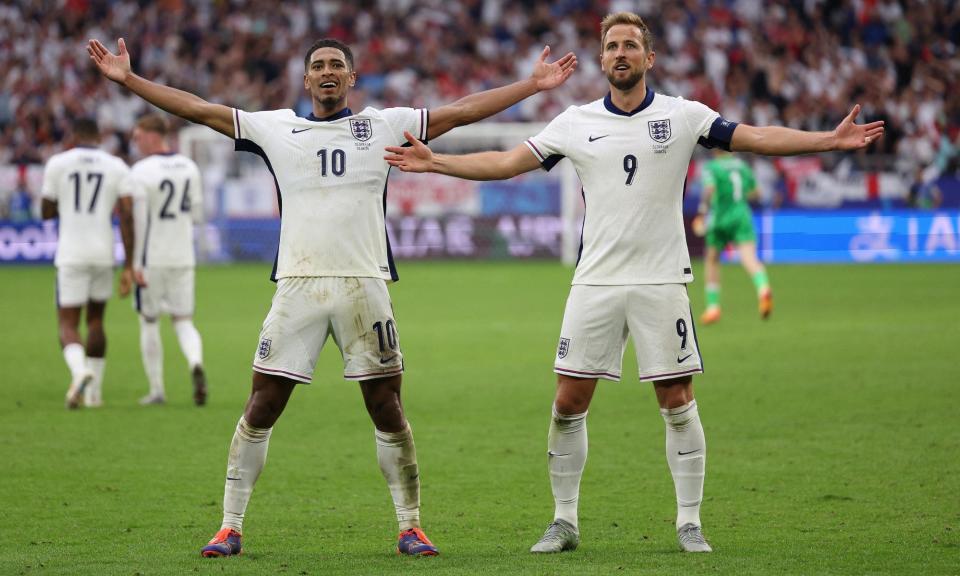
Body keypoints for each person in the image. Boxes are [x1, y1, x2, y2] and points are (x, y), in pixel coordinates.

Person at [385, 11, 883, 554]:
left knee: (677, 398)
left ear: (650, 58)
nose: (620, 54)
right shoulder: (574, 122)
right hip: (595, 283)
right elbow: (508, 161)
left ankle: (689, 521)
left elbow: (754, 137)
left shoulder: (685, 115)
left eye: (630, 46)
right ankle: (564, 521)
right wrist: (438, 162)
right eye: (611, 46)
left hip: (662, 281)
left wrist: (826, 142)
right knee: (569, 400)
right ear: (602, 59)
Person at [88, 35, 576, 558]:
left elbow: (458, 112)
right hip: (297, 287)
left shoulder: (386, 124)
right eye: (317, 65)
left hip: (365, 286)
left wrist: (532, 84)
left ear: (351, 78)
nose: (326, 72)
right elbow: (200, 110)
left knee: (387, 406)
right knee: (262, 405)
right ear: (305, 79)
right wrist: (130, 81)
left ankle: (410, 526)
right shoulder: (276, 127)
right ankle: (230, 526)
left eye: (336, 66)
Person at [41, 117, 138, 409]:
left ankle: (79, 371)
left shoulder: (58, 163)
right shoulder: (117, 166)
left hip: (71, 253)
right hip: (103, 253)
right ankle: (94, 395)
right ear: (99, 137)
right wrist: (129, 264)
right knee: (96, 320)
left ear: (73, 135)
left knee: (68, 324)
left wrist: (65, 202)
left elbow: (46, 211)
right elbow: (127, 216)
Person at [129, 113, 208, 406]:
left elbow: (138, 221)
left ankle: (157, 390)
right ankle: (195, 361)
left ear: (152, 135)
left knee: (149, 320)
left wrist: (134, 263)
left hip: (152, 258)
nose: (136, 144)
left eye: (138, 138)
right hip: (183, 256)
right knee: (183, 320)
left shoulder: (140, 171)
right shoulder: (189, 167)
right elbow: (198, 215)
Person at [693, 151, 772, 325]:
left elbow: (709, 189)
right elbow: (757, 193)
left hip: (720, 216)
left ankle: (713, 307)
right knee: (749, 258)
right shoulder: (742, 166)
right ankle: (763, 288)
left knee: (712, 260)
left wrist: (702, 213)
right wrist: (739, 197)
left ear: (714, 150)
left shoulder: (712, 167)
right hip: (741, 215)